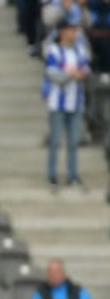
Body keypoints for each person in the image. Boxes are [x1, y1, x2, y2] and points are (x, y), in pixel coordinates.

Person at [43, 22, 91, 187]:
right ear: (62, 32)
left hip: (76, 103)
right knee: (56, 141)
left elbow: (86, 69)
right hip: (57, 103)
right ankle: (52, 175)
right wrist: (72, 75)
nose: (73, 34)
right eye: (70, 31)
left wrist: (78, 74)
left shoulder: (80, 50)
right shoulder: (54, 50)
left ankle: (72, 175)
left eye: (75, 31)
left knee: (73, 142)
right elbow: (53, 75)